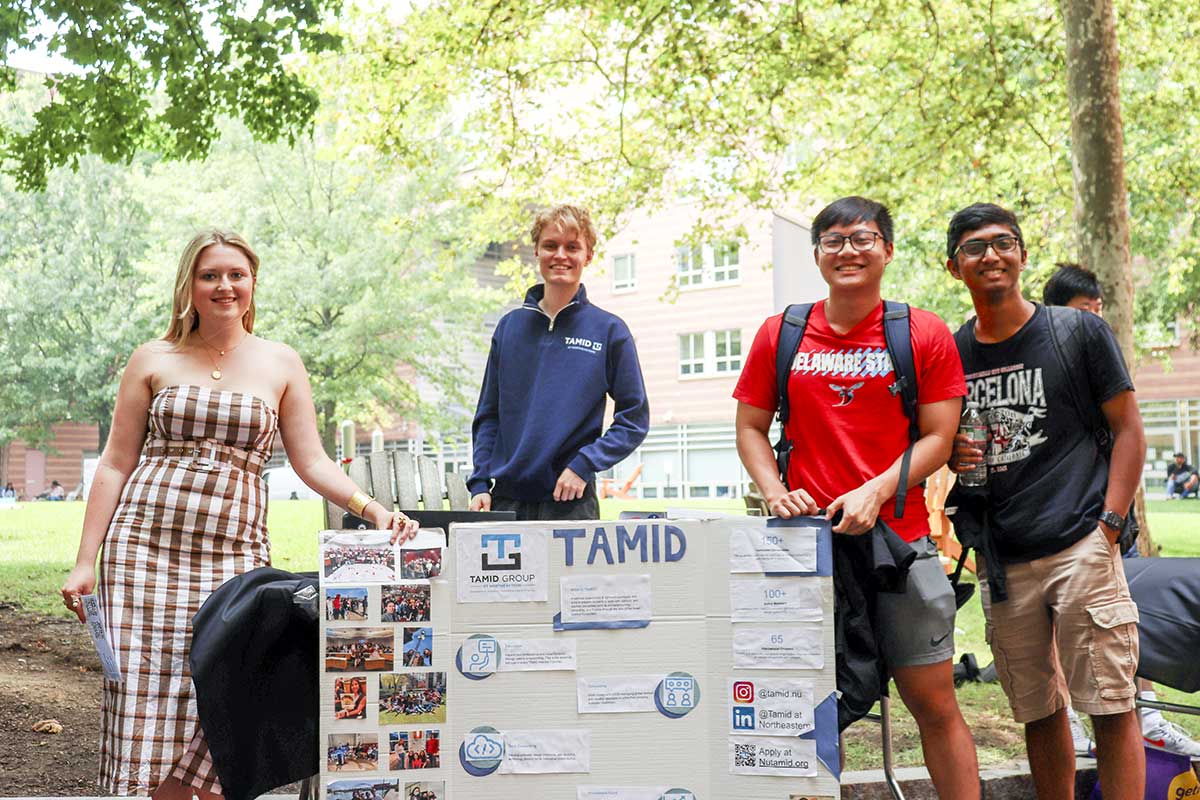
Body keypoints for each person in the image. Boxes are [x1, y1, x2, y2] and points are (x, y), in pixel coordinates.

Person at [58, 229, 419, 800]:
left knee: (224, 697)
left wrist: (370, 509)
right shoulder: (152, 358)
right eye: (210, 276)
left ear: (252, 283)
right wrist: (85, 561)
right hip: (142, 554)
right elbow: (113, 463)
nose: (224, 286)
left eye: (236, 275)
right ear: (189, 286)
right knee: (144, 702)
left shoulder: (279, 361)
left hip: (233, 556)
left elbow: (311, 459)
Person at [734, 196, 980, 797]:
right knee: (817, 701)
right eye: (834, 240)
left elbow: (939, 438)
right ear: (817, 255)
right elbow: (749, 427)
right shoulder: (782, 333)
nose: (849, 250)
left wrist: (877, 488)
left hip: (901, 549)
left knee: (935, 704)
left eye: (864, 238)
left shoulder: (919, 331)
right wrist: (775, 491)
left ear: (887, 251)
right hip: (806, 552)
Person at [946, 203, 1146, 799]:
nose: (991, 255)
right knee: (1037, 709)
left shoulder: (1076, 331)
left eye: (1003, 242)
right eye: (974, 247)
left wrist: (1109, 525)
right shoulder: (952, 353)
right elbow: (945, 441)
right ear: (954, 268)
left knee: (1109, 703)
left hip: (1081, 541)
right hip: (1004, 556)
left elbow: (1128, 428)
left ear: (1023, 255)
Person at [1043, 264, 1200, 757]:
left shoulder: (1102, 359)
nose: (1094, 321)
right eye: (1082, 312)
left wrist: (1113, 521)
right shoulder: (1041, 362)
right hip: (1055, 524)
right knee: (1052, 620)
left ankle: (1149, 715)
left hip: (1108, 520)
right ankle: (1067, 718)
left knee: (1130, 620)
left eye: (1098, 311)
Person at [467, 204, 650, 520]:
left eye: (572, 247)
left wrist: (585, 464)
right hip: (506, 504)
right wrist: (480, 482)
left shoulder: (609, 331)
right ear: (537, 251)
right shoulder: (509, 329)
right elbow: (489, 416)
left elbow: (634, 418)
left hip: (572, 503)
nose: (560, 255)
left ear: (588, 255)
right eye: (550, 245)